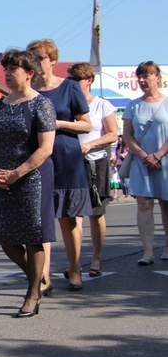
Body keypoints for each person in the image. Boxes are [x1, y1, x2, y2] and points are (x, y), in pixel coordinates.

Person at [0, 49, 56, 317]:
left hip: (33, 177)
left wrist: (18, 172)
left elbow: (45, 148)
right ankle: (37, 277)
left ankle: (33, 294)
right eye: (5, 69)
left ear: (29, 73)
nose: (7, 74)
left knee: (33, 236)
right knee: (6, 238)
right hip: (3, 178)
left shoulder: (41, 104)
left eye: (13, 69)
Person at [27, 39, 92, 292]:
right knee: (41, 220)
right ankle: (43, 277)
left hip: (67, 158)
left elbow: (86, 124)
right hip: (37, 159)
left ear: (53, 60)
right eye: (31, 57)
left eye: (40, 57)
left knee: (69, 218)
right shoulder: (28, 90)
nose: (36, 62)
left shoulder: (69, 87)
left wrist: (57, 124)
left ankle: (74, 269)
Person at [68, 63, 118, 277]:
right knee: (74, 215)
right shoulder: (68, 106)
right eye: (70, 80)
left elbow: (113, 134)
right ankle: (75, 263)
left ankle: (96, 258)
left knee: (96, 214)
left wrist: (90, 144)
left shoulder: (102, 105)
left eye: (77, 79)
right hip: (72, 163)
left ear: (88, 80)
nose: (73, 84)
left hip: (96, 163)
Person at [121, 61, 168, 265]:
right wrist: (143, 155)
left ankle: (167, 247)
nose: (142, 80)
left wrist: (157, 155)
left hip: (164, 160)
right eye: (139, 77)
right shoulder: (134, 105)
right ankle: (147, 252)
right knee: (144, 204)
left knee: (166, 205)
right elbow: (127, 135)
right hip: (142, 162)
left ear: (157, 77)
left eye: (146, 76)